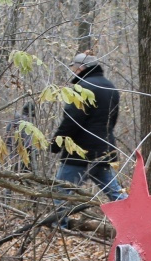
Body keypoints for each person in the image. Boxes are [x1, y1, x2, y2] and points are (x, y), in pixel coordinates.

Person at [51, 52, 125, 203]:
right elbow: (112, 121)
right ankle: (139, 218)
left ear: (82, 68)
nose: (72, 71)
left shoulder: (82, 88)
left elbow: (71, 121)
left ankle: (59, 225)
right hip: (104, 150)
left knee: (61, 192)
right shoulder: (111, 88)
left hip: (79, 153)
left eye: (74, 68)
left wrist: (56, 144)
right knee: (116, 194)